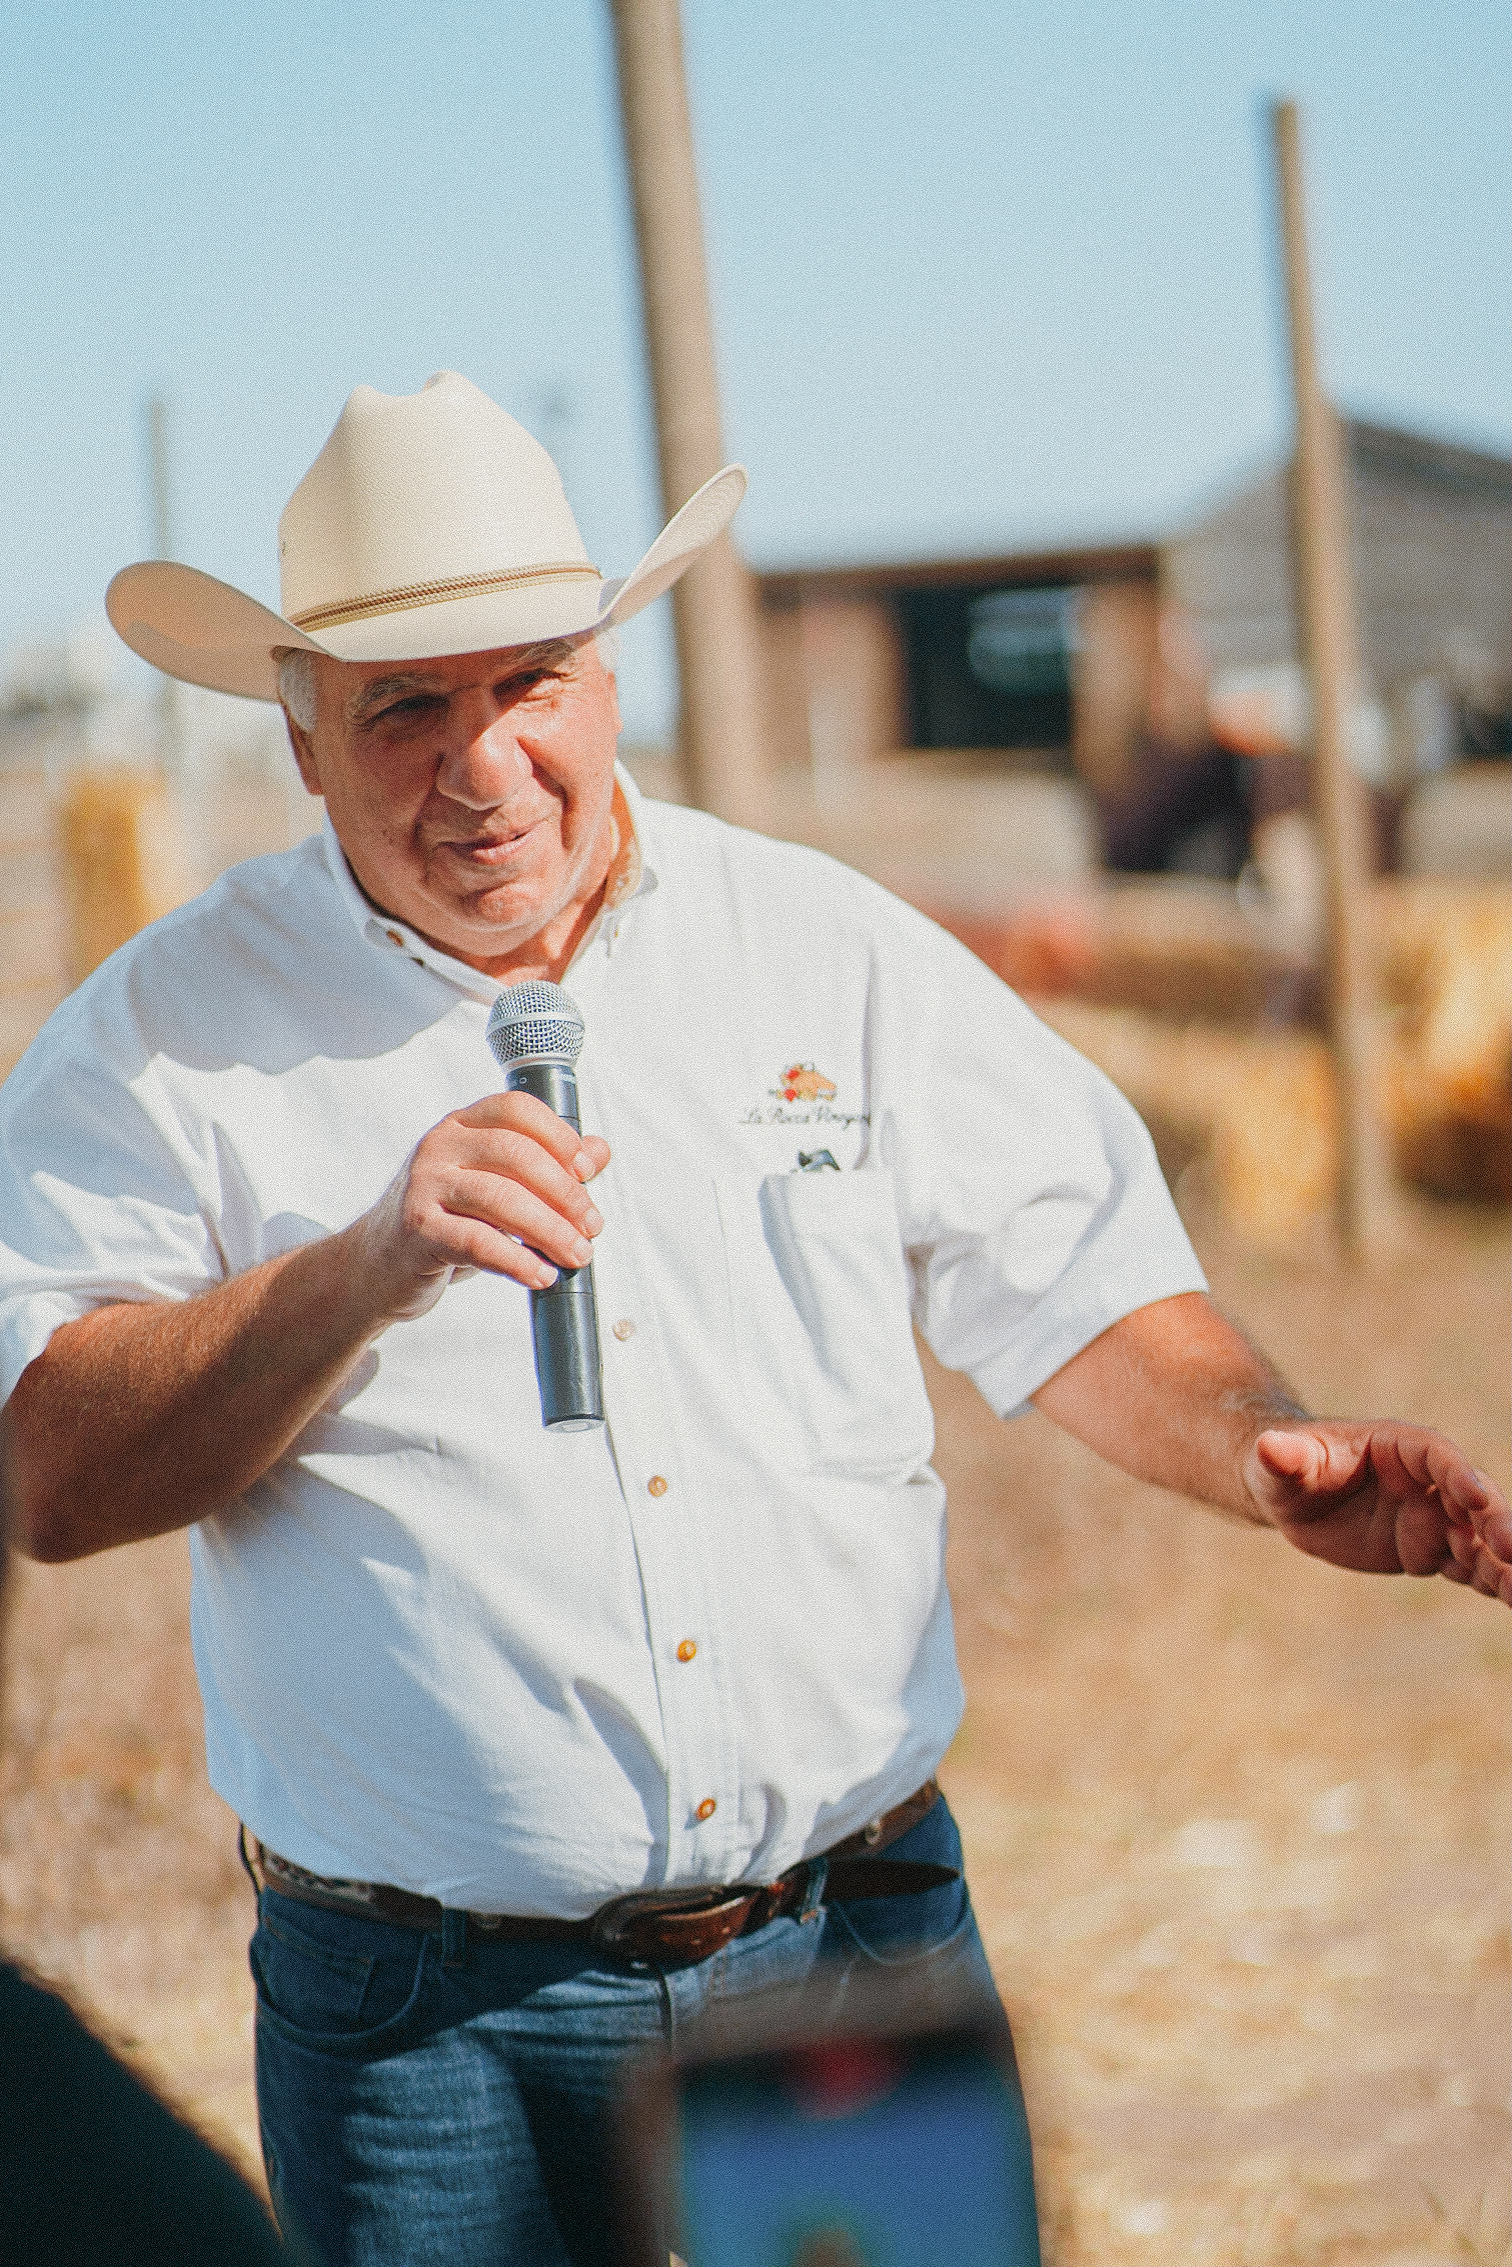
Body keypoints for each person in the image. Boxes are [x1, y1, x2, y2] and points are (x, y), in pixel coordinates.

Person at [1, 372, 1506, 2267]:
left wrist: (1265, 1456)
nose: (480, 767)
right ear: (301, 740)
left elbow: (1078, 1274)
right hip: (423, 2029)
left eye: (527, 683)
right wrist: (359, 1267)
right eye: (405, 708)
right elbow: (48, 1472)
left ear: (612, 680)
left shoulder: (822, 946)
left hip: (849, 1955)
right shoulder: (160, 1039)